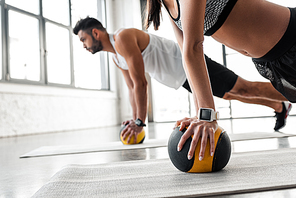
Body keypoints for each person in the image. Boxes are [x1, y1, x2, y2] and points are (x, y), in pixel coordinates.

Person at [73, 17, 291, 145]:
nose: (83, 44)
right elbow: (131, 89)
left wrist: (140, 122)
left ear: (95, 32)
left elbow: (141, 83)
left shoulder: (122, 38)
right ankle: (279, 105)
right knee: (232, 94)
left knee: (243, 88)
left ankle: (290, 94)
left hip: (189, 64)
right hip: (182, 76)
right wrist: (134, 119)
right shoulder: (116, 58)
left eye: (83, 39)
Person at [145, 0, 296, 161]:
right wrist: (200, 115)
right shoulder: (167, 3)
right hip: (272, 60)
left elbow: (194, 47)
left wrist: (207, 115)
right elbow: (186, 55)